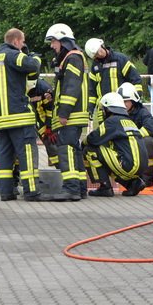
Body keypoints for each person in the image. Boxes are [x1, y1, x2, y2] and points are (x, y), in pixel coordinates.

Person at [0, 28, 47, 202]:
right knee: (27, 153)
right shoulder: (13, 55)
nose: (23, 45)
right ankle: (31, 191)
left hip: (0, 117)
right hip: (19, 116)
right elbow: (33, 66)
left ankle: (6, 192)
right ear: (16, 41)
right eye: (22, 42)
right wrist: (33, 56)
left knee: (5, 155)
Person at [45, 23, 88, 201]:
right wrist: (53, 95)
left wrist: (63, 113)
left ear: (62, 40)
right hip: (74, 115)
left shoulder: (73, 58)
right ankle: (80, 188)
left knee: (66, 150)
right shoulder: (71, 58)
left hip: (71, 116)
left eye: (53, 41)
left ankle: (71, 189)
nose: (52, 46)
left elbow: (71, 88)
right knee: (75, 151)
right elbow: (66, 86)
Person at [82, 92, 147, 197]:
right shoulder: (129, 121)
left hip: (129, 165)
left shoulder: (113, 121)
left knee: (90, 150)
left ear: (108, 109)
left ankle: (105, 187)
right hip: (141, 166)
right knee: (106, 158)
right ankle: (132, 183)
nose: (102, 112)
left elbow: (93, 138)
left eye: (103, 109)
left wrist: (82, 145)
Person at [83, 37, 143, 118]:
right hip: (104, 109)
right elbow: (92, 90)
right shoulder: (95, 66)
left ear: (103, 46)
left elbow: (135, 79)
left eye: (99, 51)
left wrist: (137, 99)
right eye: (96, 54)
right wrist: (90, 108)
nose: (100, 54)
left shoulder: (120, 59)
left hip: (121, 107)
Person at [118, 82, 153, 187]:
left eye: (126, 101)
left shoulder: (142, 112)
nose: (124, 104)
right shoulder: (115, 113)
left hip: (144, 145)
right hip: (125, 146)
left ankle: (146, 178)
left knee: (148, 142)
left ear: (133, 101)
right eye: (121, 101)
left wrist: (134, 137)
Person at [28, 79, 58, 169]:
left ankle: (60, 167)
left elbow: (50, 109)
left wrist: (49, 127)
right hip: (34, 118)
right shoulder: (20, 86)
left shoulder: (44, 89)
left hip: (47, 118)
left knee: (50, 142)